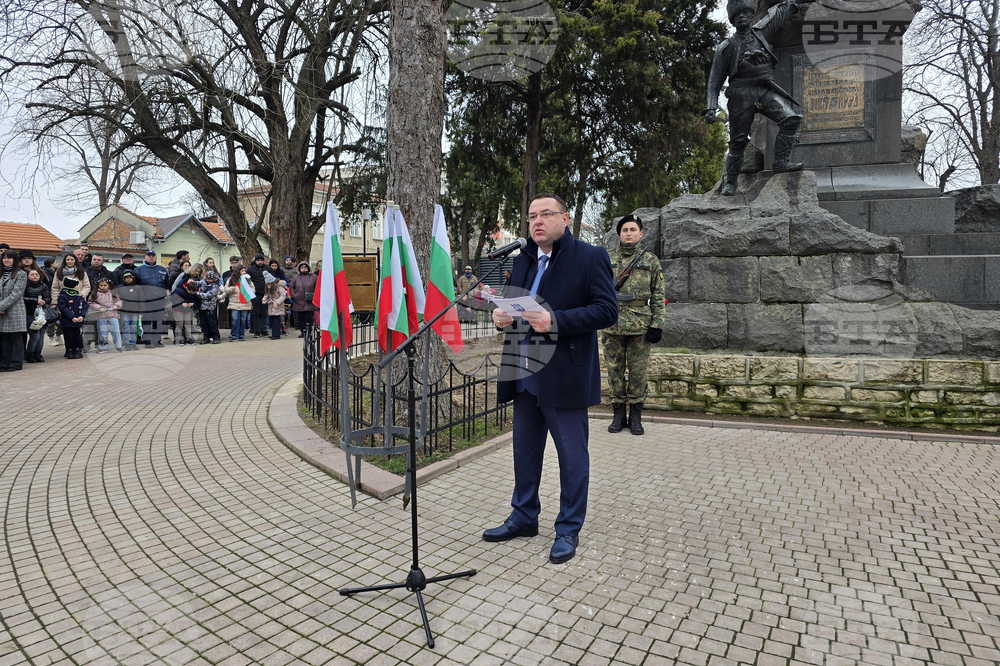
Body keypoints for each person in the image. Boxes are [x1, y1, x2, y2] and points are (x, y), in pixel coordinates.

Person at [485, 193, 617, 564]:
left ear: (565, 219)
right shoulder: (524, 260)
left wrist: (556, 320)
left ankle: (568, 529)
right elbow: (516, 307)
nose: (537, 222)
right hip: (524, 371)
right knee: (524, 452)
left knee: (572, 457)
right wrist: (502, 319)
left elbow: (607, 310)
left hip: (563, 375)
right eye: (531, 216)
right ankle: (524, 516)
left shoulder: (590, 258)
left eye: (546, 214)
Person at [704, 0, 806, 195]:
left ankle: (780, 162)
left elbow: (777, 16)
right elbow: (714, 81)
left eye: (745, 12)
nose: (742, 16)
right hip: (741, 94)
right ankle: (731, 183)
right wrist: (711, 107)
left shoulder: (761, 34)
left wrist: (793, 4)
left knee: (791, 119)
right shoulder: (725, 47)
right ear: (732, 21)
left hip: (763, 90)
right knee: (738, 141)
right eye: (737, 15)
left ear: (751, 16)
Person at [603, 214, 666, 436]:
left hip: (640, 324)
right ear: (619, 234)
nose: (628, 233)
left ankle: (636, 417)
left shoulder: (650, 260)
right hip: (613, 325)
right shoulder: (606, 257)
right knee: (614, 372)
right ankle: (618, 416)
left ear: (641, 234)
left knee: (638, 373)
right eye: (624, 230)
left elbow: (658, 294)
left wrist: (657, 325)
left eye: (632, 230)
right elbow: (598, 291)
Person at [0, 249, 28, 371]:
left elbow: (16, 294)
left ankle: (16, 362)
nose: (6, 260)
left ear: (14, 260)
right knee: (4, 338)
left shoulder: (20, 274)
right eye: (4, 257)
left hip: (15, 310)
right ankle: (4, 362)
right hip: (1, 311)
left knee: (15, 338)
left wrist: (1, 306)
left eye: (9, 258)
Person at [134, 249, 168, 347]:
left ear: (156, 257)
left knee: (159, 321)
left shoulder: (163, 270)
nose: (151, 257)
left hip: (160, 300)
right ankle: (148, 341)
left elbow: (167, 284)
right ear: (145, 257)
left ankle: (157, 340)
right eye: (149, 256)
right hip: (146, 301)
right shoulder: (138, 270)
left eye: (153, 255)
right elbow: (136, 286)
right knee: (147, 321)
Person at [88, 278, 123, 353]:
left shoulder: (113, 293)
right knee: (102, 332)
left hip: (113, 315)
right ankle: (103, 347)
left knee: (116, 331)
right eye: (101, 285)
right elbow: (90, 303)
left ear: (108, 285)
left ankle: (118, 346)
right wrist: (99, 308)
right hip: (101, 316)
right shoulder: (95, 293)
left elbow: (119, 300)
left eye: (105, 285)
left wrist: (116, 305)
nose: (103, 287)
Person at [22, 268, 50, 363]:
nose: (34, 276)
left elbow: (49, 297)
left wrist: (44, 302)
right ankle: (30, 353)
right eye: (32, 274)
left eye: (36, 274)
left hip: (42, 313)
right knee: (35, 335)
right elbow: (22, 298)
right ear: (27, 276)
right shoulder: (24, 285)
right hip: (30, 313)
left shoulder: (44, 285)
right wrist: (35, 301)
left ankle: (38, 353)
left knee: (41, 335)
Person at [57, 276, 88, 360]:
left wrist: (82, 315)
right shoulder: (62, 296)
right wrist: (72, 317)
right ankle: (69, 350)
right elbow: (63, 308)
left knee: (78, 336)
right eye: (76, 285)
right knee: (69, 336)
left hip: (78, 321)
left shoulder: (79, 296)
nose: (78, 287)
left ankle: (78, 349)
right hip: (68, 321)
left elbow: (84, 306)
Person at [287, 261, 317, 337]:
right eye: (302, 268)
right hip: (298, 300)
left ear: (308, 268)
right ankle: (302, 331)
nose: (304, 269)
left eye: (305, 268)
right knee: (300, 317)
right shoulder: (296, 277)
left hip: (309, 300)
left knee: (309, 317)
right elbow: (291, 286)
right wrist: (293, 295)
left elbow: (317, 287)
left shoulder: (313, 277)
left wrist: (315, 296)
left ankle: (309, 331)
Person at [117, 270, 143, 351]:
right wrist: (117, 312)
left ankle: (133, 343)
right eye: (126, 277)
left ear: (133, 278)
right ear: (123, 278)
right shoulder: (119, 288)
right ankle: (126, 343)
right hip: (124, 312)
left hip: (135, 311)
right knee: (125, 327)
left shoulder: (138, 288)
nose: (128, 279)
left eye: (130, 277)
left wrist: (141, 311)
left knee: (133, 327)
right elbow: (116, 300)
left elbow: (141, 300)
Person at [169, 278, 199, 345]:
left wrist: (192, 303)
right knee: (179, 324)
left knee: (188, 324)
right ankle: (178, 339)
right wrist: (181, 303)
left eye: (193, 292)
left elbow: (196, 299)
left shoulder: (194, 292)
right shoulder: (178, 291)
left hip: (187, 310)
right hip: (178, 309)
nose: (192, 294)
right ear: (186, 288)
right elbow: (172, 298)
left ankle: (188, 339)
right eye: (191, 292)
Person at [225, 267, 251, 341]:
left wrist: (248, 292)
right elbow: (226, 289)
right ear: (238, 271)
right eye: (242, 271)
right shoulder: (231, 279)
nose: (244, 272)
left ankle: (241, 335)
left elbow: (252, 289)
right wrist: (230, 289)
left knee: (243, 319)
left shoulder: (247, 280)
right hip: (234, 302)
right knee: (235, 319)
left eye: (244, 271)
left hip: (244, 302)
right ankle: (234, 335)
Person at [246, 253, 269, 337]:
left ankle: (264, 329)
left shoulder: (268, 269)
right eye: (258, 260)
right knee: (256, 313)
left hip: (265, 293)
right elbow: (247, 281)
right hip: (255, 294)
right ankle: (256, 330)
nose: (260, 262)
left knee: (264, 312)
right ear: (255, 261)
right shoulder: (250, 269)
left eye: (261, 260)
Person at [197, 270, 221, 344]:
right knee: (203, 323)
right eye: (207, 279)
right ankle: (206, 337)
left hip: (211, 307)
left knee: (212, 323)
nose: (209, 281)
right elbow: (197, 283)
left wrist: (197, 294)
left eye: (210, 279)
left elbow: (208, 295)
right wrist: (190, 281)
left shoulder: (216, 286)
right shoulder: (203, 281)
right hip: (202, 306)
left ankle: (216, 337)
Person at [261, 271, 287, 340]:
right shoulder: (269, 288)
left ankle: (276, 334)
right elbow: (266, 295)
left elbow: (283, 296)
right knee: (271, 321)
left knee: (276, 321)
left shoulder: (279, 287)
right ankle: (274, 333)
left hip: (277, 306)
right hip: (271, 306)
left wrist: (277, 303)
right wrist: (264, 300)